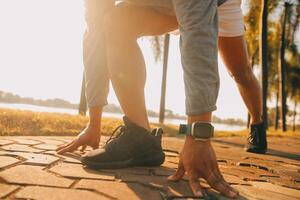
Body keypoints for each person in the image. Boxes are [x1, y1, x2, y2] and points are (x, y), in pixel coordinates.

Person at [56, 0, 265, 198]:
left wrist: (199, 136)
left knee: (241, 73)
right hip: (165, 5)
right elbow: (95, 35)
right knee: (114, 22)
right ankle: (141, 137)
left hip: (215, 4)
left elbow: (197, 33)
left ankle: (257, 123)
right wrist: (94, 123)